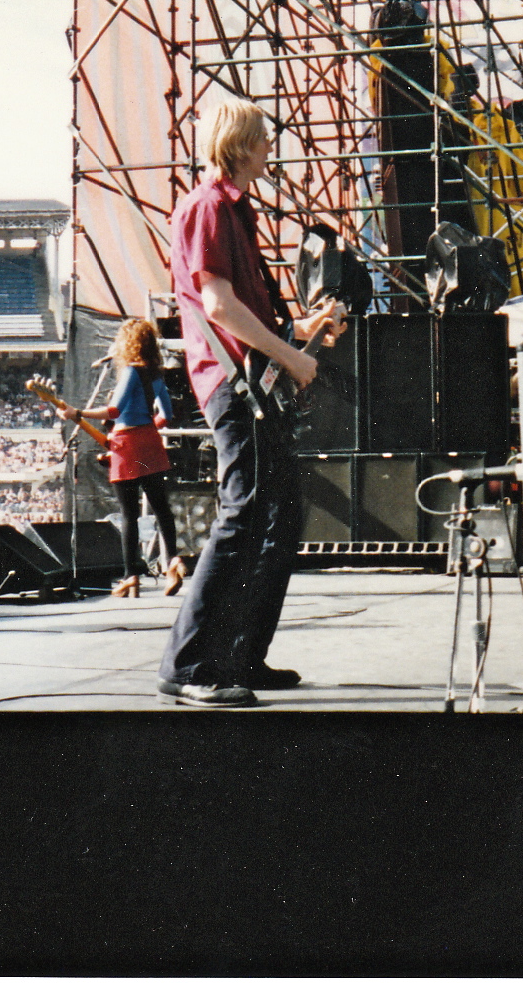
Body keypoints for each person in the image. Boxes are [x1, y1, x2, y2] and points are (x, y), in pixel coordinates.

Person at [156, 98, 345, 707]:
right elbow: (217, 307)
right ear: (238, 144)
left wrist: (305, 329)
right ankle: (187, 667)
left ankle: (239, 654)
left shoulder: (232, 211)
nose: (270, 148)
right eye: (263, 139)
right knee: (245, 513)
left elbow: (245, 316)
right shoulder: (208, 207)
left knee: (278, 516)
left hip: (246, 382)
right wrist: (293, 358)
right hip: (231, 385)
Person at [57, 318, 188, 598]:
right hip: (150, 443)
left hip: (127, 446)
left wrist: (77, 413)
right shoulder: (156, 375)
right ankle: (173, 559)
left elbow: (114, 411)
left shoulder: (130, 371)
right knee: (161, 507)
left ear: (127, 344)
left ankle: (131, 577)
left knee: (129, 515)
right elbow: (166, 416)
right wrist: (148, 425)